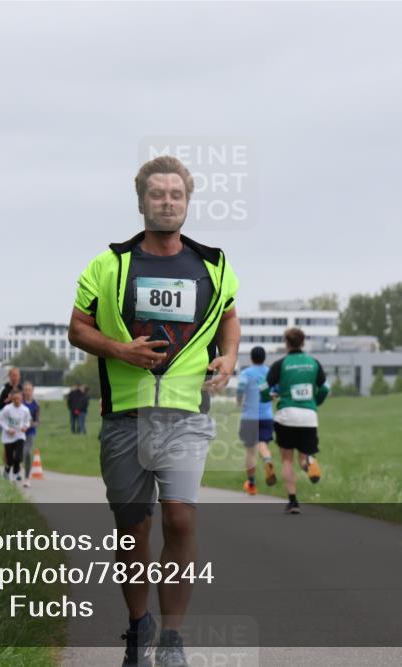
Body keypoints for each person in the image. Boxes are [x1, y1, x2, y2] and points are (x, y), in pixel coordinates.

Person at [68, 155, 240, 667]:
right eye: (158, 194)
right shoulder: (110, 264)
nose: (168, 202)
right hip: (125, 415)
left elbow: (229, 318)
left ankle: (173, 640)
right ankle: (139, 627)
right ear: (141, 200)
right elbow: (78, 327)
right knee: (133, 529)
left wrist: (228, 356)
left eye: (177, 195)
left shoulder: (213, 263)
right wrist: (122, 351)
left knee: (182, 519)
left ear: (187, 201)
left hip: (186, 414)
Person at [260, 328, 329, 515]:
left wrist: (269, 397)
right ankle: (310, 462)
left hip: (287, 415)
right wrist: (316, 402)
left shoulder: (280, 364)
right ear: (303, 342)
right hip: (308, 416)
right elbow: (324, 389)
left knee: (287, 460)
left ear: (286, 343)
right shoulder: (314, 363)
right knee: (303, 456)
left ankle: (293, 502)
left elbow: (264, 388)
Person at [237, 346, 277, 495]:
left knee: (250, 451)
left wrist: (238, 399)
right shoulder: (269, 373)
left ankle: (252, 484)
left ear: (252, 358)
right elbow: (275, 390)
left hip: (249, 416)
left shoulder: (247, 373)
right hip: (266, 416)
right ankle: (267, 459)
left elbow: (241, 387)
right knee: (262, 445)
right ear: (264, 357)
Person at [0, 389, 32, 483]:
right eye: (15, 399)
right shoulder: (7, 409)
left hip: (19, 436)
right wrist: (8, 429)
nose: (17, 400)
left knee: (18, 458)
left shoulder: (25, 410)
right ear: (12, 399)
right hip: (8, 437)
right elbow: (1, 420)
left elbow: (28, 421)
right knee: (9, 459)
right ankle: (7, 471)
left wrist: (25, 427)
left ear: (21, 398)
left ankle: (14, 475)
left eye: (19, 398)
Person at [22, 382, 41, 486]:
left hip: (30, 432)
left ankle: (26, 477)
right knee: (18, 454)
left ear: (32, 391)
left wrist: (29, 424)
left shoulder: (36, 405)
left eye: (29, 390)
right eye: (25, 390)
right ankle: (14, 473)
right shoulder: (19, 402)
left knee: (27, 452)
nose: (27, 392)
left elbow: (37, 421)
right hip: (18, 432)